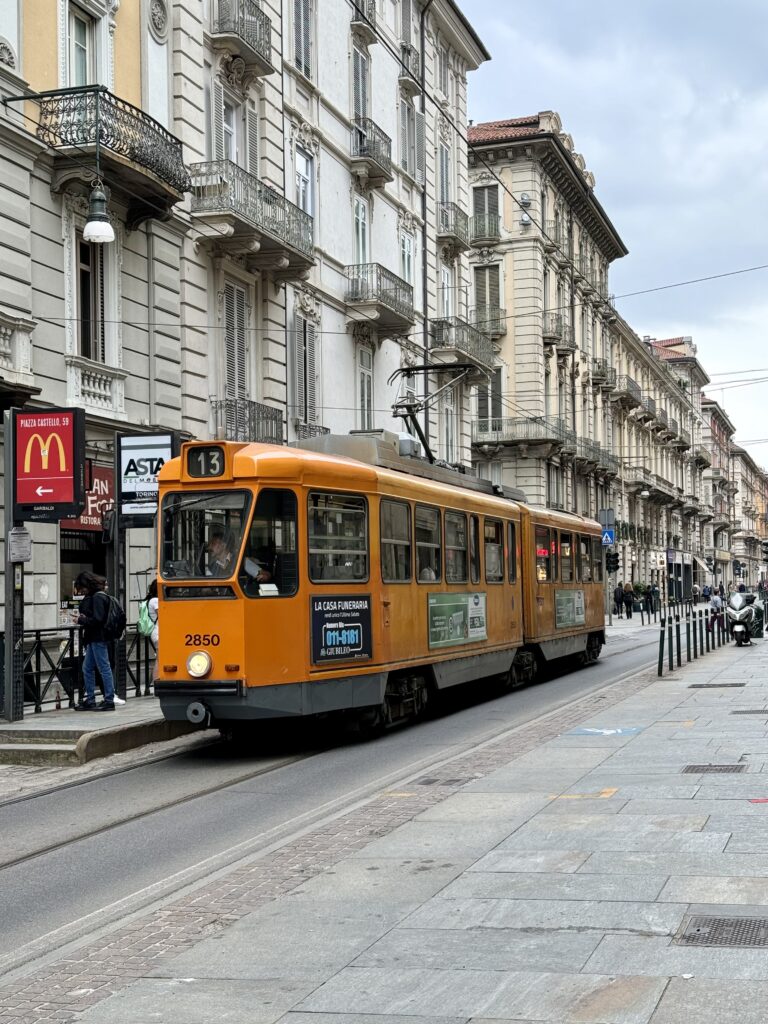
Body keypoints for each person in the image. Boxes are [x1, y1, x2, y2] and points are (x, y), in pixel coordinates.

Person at [74, 571, 117, 711]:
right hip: (94, 638)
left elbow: (98, 620)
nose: (82, 591)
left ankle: (109, 699)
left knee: (104, 667)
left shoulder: (98, 597)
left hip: (98, 637)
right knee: (87, 668)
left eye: (82, 588)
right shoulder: (96, 596)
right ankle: (91, 699)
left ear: (87, 585)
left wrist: (81, 619)